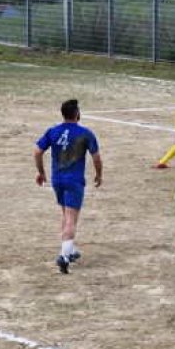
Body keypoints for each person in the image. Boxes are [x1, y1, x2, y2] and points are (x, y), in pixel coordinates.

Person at [34, 99, 103, 274]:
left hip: (57, 179)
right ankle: (64, 256)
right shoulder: (85, 133)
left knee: (65, 214)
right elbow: (96, 157)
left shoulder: (53, 131)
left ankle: (70, 250)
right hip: (74, 181)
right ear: (77, 114)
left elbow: (37, 151)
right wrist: (98, 174)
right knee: (72, 218)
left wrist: (41, 172)